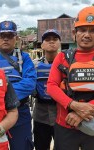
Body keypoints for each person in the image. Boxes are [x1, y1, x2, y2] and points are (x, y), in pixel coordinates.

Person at [47, 6, 94, 150]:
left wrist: (82, 113)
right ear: (75, 33)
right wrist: (74, 106)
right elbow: (51, 86)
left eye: (92, 30)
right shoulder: (62, 57)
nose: (87, 35)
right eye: (82, 30)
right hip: (65, 125)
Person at [0, 21, 36, 150]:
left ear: (16, 38)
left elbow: (29, 84)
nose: (6, 38)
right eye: (2, 35)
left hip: (20, 113)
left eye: (10, 36)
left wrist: (0, 93)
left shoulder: (24, 58)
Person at [32, 29, 61, 150]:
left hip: (61, 115)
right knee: (40, 146)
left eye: (55, 39)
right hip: (40, 115)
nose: (51, 42)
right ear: (42, 44)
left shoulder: (67, 64)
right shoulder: (34, 65)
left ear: (60, 43)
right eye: (47, 40)